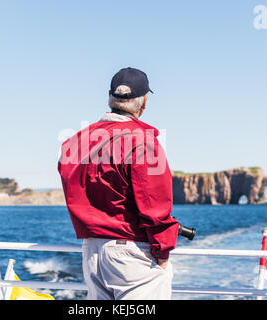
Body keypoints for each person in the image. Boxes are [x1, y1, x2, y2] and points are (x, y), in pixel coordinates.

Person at [58, 67, 179, 299]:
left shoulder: (74, 143)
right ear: (144, 101)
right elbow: (154, 205)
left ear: (110, 96)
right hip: (131, 256)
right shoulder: (143, 143)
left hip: (92, 253)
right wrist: (163, 251)